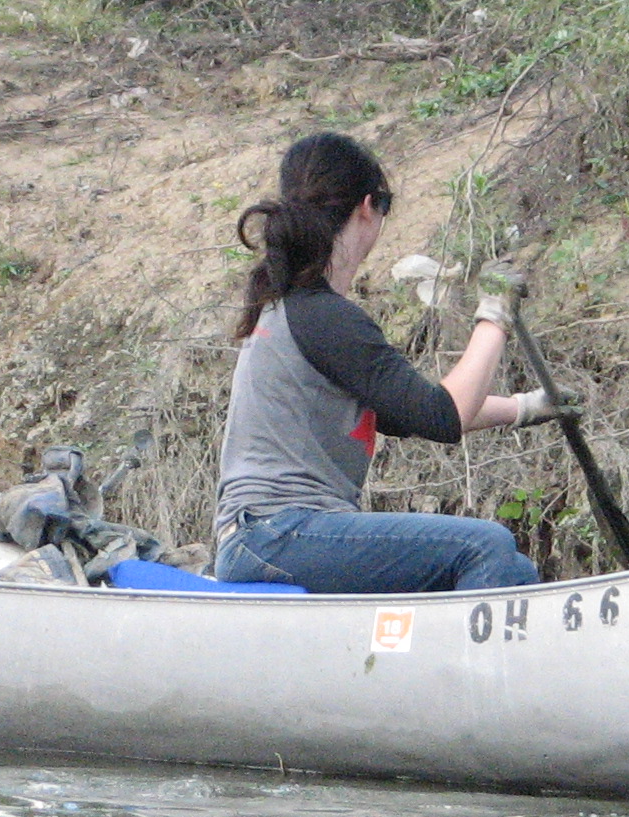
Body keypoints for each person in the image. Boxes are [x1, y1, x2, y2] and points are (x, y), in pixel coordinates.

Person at [211, 131, 556, 594]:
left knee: (510, 567)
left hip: (265, 536)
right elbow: (443, 415)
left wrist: (526, 408)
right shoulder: (324, 316)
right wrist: (494, 316)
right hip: (274, 533)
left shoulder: (297, 310)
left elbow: (415, 409)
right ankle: (479, 667)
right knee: (485, 545)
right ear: (367, 208)